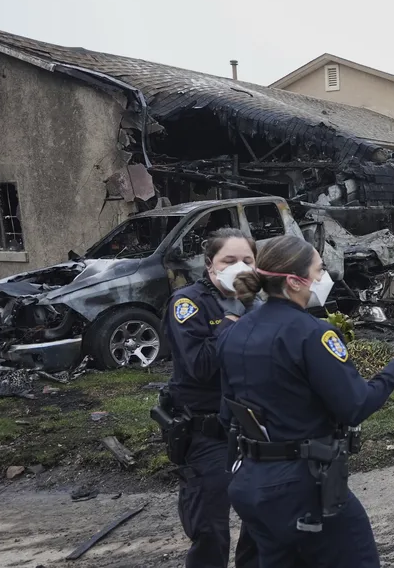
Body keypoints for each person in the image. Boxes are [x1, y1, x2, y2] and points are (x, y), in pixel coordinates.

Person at [217, 235, 394, 567]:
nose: (323, 279)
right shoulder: (312, 334)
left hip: (252, 486)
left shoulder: (234, 332)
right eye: (318, 271)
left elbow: (226, 414)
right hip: (306, 489)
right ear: (293, 281)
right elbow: (355, 404)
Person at [161, 228, 260, 568]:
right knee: (210, 530)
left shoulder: (255, 304)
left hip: (252, 428)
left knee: (261, 518)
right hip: (207, 432)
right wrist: (231, 321)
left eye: (247, 260)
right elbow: (200, 366)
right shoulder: (188, 303)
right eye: (229, 260)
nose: (240, 267)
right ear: (210, 266)